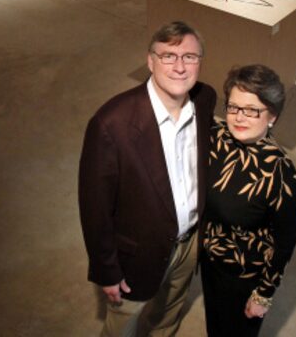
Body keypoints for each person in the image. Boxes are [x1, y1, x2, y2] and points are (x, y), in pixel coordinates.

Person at [79, 21, 217, 336]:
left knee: (168, 314)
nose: (180, 67)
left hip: (190, 243)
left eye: (190, 57)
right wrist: (107, 270)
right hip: (137, 255)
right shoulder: (110, 125)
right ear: (150, 61)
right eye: (169, 56)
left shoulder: (205, 99)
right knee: (124, 325)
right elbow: (94, 208)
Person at [201, 64, 296, 336]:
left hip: (243, 278)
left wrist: (263, 294)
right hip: (210, 262)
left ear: (272, 116)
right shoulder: (217, 137)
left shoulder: (281, 174)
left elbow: (284, 244)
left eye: (252, 110)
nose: (239, 118)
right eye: (233, 107)